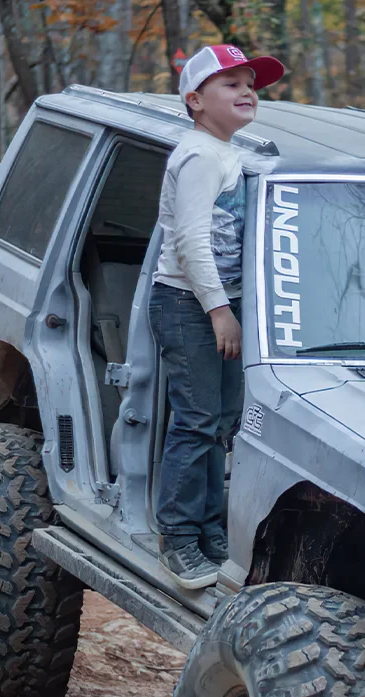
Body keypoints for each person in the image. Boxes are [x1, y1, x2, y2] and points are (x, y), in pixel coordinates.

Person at [150, 44, 286, 590]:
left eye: (251, 82)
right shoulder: (200, 154)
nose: (247, 90)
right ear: (196, 100)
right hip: (189, 304)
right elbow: (188, 240)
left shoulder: (233, 153)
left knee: (222, 423)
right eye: (230, 83)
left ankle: (210, 530)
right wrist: (218, 311)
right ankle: (178, 539)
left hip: (217, 305)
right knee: (197, 421)